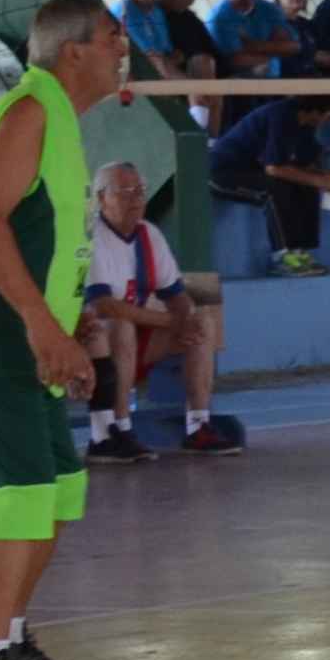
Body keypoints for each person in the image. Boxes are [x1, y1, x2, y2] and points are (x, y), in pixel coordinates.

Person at [0, 0, 130, 660]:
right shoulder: (29, 111)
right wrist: (42, 327)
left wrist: (66, 335)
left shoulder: (64, 124)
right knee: (15, 504)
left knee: (51, 497)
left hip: (31, 337)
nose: (123, 47)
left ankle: (6, 642)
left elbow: (47, 246)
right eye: (113, 37)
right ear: (72, 50)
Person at [82, 161, 205, 459]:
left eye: (139, 191)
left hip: (135, 344)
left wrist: (185, 320)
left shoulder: (149, 233)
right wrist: (169, 320)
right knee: (119, 324)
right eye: (125, 192)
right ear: (101, 198)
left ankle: (199, 427)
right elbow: (104, 305)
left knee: (203, 326)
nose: (136, 199)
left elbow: (175, 293)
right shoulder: (90, 236)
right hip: (90, 348)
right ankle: (119, 429)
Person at [210, 89, 330, 264]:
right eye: (329, 113)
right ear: (316, 111)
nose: (328, 119)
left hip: (252, 171)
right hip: (222, 174)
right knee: (273, 190)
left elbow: (302, 166)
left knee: (306, 186)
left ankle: (300, 251)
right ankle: (282, 256)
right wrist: (320, 181)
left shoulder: (306, 126)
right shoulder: (281, 115)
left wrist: (326, 178)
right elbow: (273, 168)